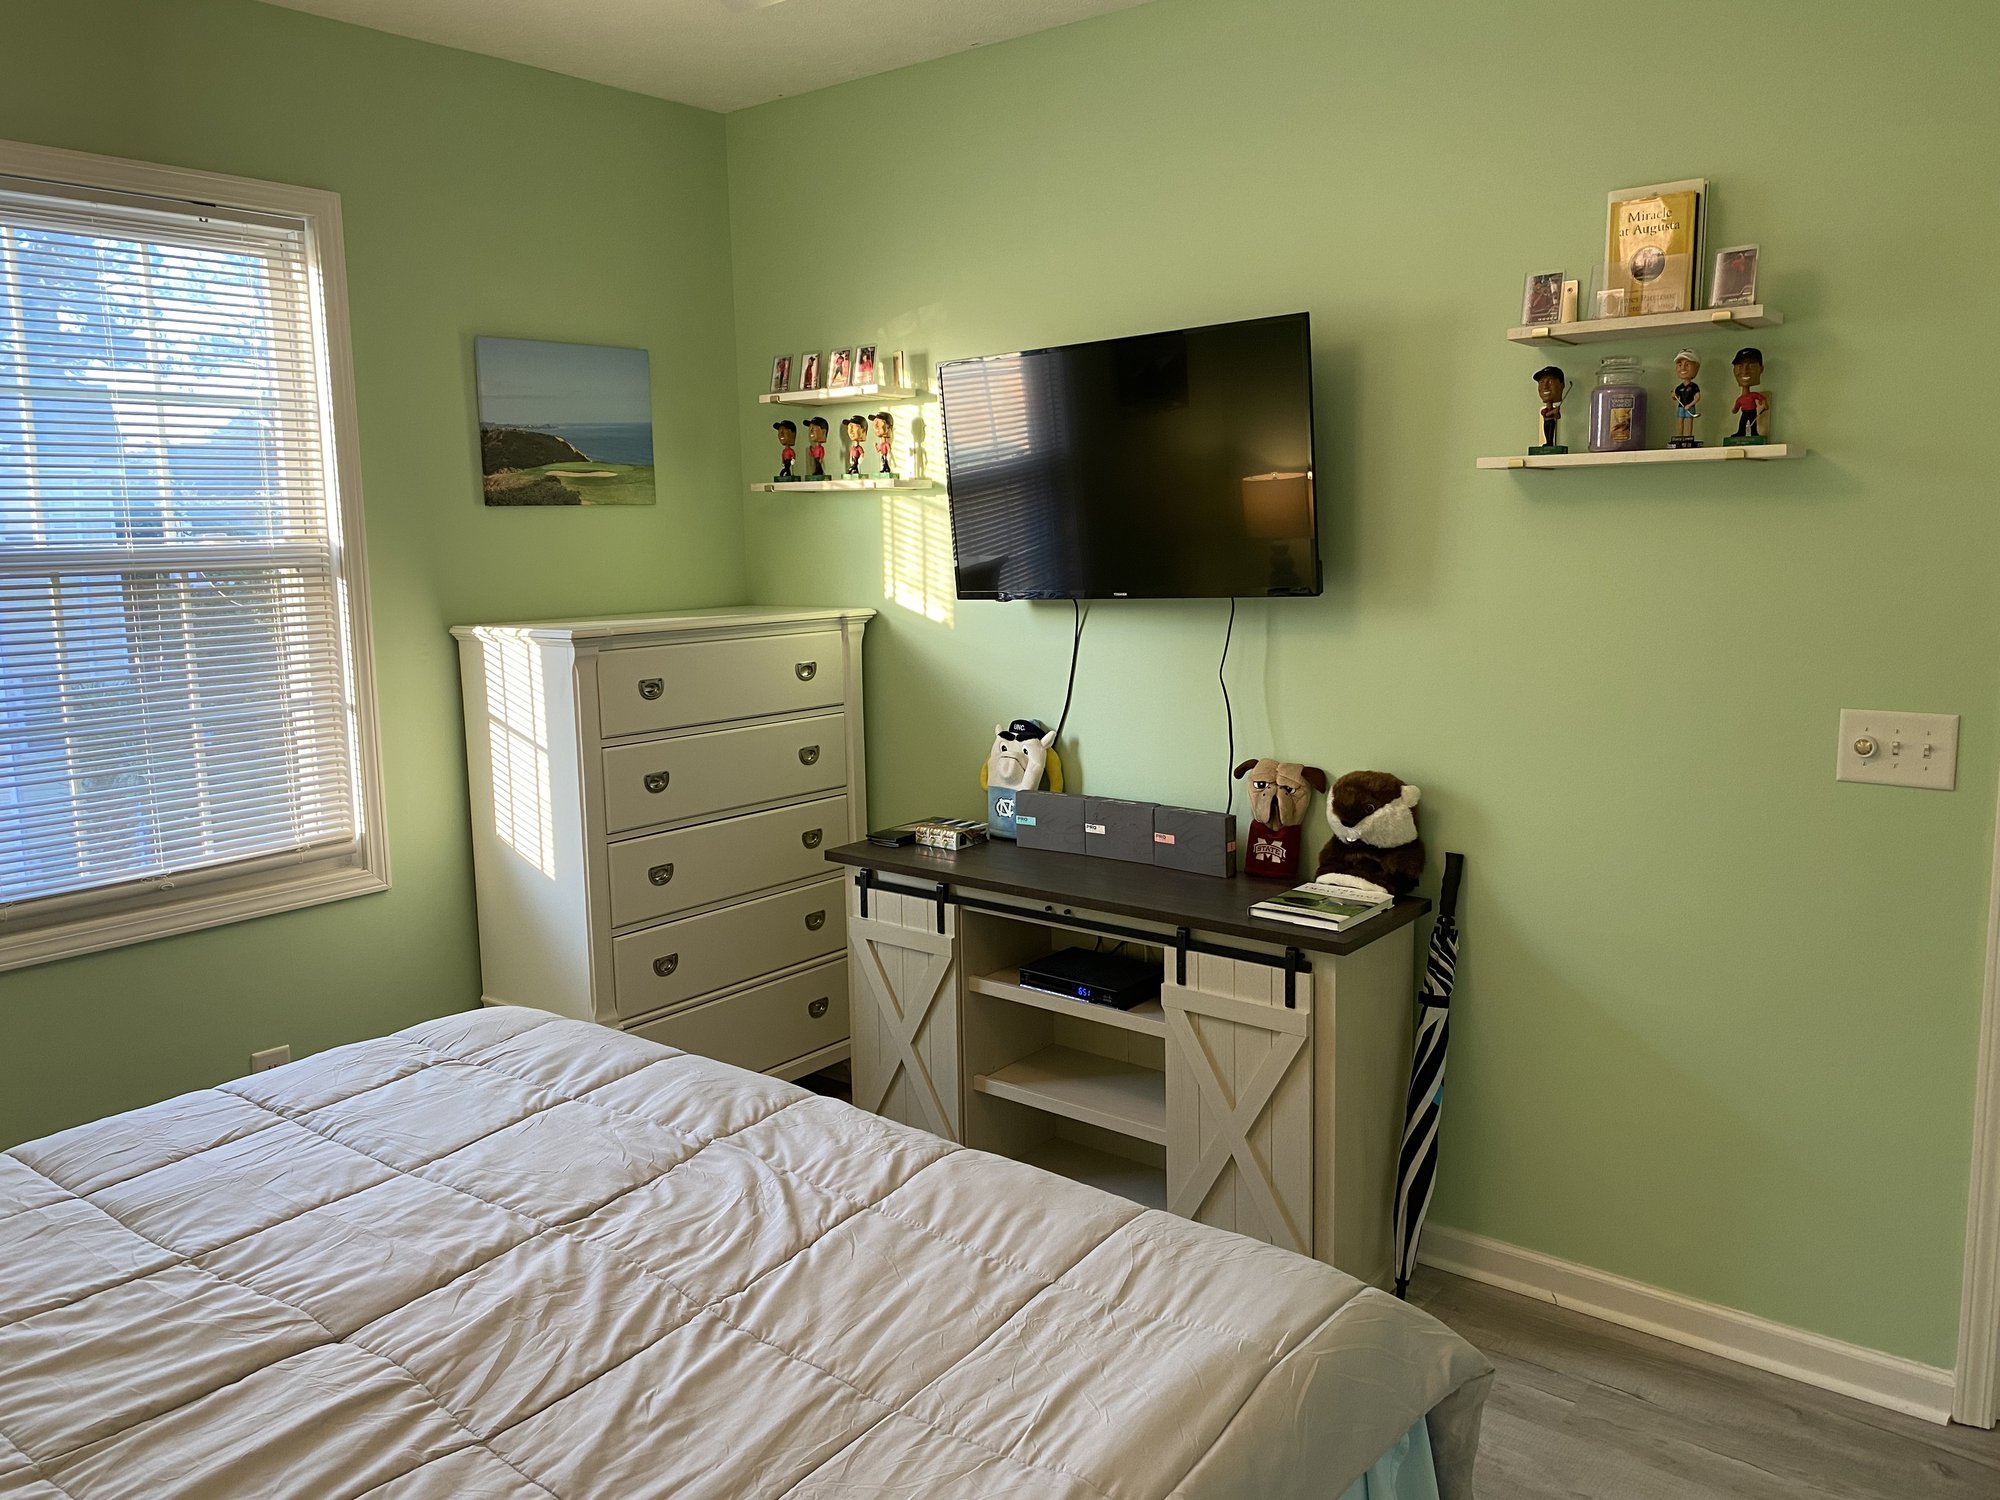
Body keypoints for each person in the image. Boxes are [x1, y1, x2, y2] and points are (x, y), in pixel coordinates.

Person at [1729, 348, 1771, 443]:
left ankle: (1754, 433)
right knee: (1742, 423)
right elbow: (1736, 406)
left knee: (1753, 423)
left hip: (1752, 411)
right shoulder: (1740, 398)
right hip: (1744, 412)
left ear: (1761, 369)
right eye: (1739, 365)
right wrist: (1735, 409)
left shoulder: (1753, 395)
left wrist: (1764, 403)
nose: (1745, 371)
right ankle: (1740, 432)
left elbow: (1762, 398)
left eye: (1751, 365)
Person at [1670, 349, 1702, 448]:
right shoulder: (1679, 387)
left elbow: (1697, 397)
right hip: (1681, 407)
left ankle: (1688, 436)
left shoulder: (1694, 386)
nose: (1683, 368)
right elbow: (1677, 397)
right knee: (1680, 420)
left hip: (1689, 407)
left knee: (1689, 421)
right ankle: (1680, 436)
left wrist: (1690, 405)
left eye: (1687, 365)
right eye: (1680, 365)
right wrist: (1674, 396)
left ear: (1696, 367)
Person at [1531, 365, 1567, 453]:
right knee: (1547, 432)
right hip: (1547, 423)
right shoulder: (1545, 410)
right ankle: (1548, 442)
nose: (1545, 386)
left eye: (1550, 382)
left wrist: (1556, 412)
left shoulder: (1552, 410)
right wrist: (1553, 412)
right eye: (1541, 382)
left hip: (1551, 423)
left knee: (1551, 433)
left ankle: (1550, 442)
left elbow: (1558, 417)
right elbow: (1545, 414)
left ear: (1561, 385)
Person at [870, 411, 896, 477]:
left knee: (886, 463)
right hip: (883, 456)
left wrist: (890, 456)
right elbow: (878, 450)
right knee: (883, 463)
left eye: (879, 422)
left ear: (888, 427)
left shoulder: (886, 444)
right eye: (875, 422)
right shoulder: (881, 444)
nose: (876, 426)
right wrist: (875, 446)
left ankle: (887, 469)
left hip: (886, 456)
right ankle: (884, 469)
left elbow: (889, 451)